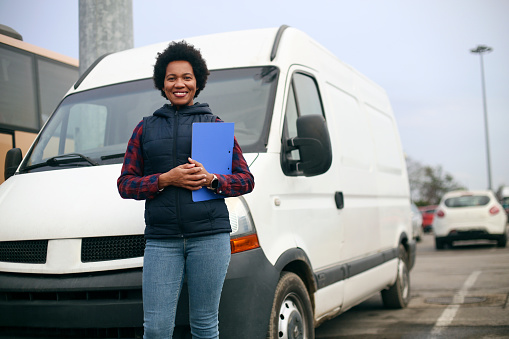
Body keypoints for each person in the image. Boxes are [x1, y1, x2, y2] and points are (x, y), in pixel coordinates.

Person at [117, 40, 254, 339]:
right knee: (156, 329)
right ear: (162, 84)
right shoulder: (145, 128)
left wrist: (213, 179)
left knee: (205, 325)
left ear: (197, 82)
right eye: (171, 78)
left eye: (186, 77)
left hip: (209, 238)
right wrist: (165, 179)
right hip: (162, 241)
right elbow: (125, 184)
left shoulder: (215, 126)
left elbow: (246, 180)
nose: (179, 84)